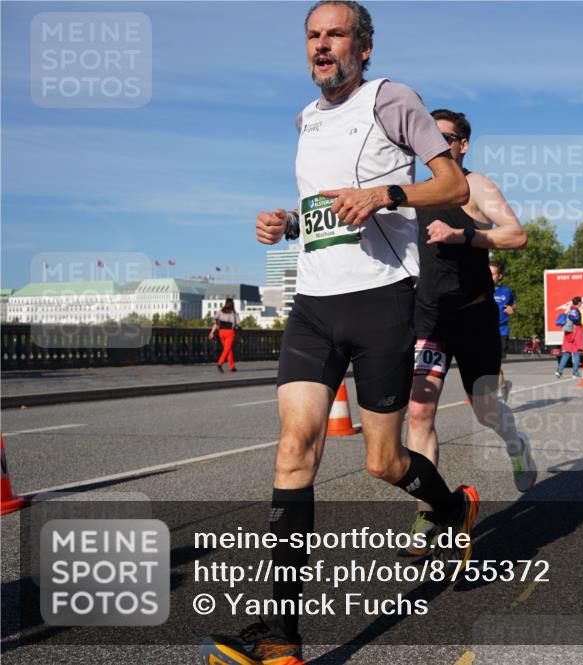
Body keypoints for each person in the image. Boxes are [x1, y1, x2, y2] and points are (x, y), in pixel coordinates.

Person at [201, 4, 476, 663]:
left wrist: (387, 195)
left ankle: (451, 505)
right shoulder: (303, 119)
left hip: (381, 300)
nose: (323, 47)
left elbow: (452, 183)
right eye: (313, 37)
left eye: (336, 35)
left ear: (365, 47)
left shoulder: (392, 99)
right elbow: (324, 210)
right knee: (294, 448)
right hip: (314, 306)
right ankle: (282, 638)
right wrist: (286, 224)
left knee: (383, 461)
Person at [404, 109, 534, 554]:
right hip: (430, 315)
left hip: (475, 314)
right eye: (429, 137)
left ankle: (516, 444)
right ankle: (429, 511)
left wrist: (465, 235)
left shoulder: (476, 186)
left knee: (484, 410)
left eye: (445, 137)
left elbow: (516, 235)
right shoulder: (414, 190)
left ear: (462, 145)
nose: (436, 144)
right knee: (419, 412)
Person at [491, 259, 516, 402]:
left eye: (493, 274)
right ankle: (504, 386)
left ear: (499, 276)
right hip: (483, 331)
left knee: (495, 363)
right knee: (489, 363)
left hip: (501, 330)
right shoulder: (478, 289)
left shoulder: (506, 291)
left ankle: (498, 390)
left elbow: (515, 303)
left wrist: (513, 308)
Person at [555, 296, 583, 378]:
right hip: (576, 334)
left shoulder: (568, 310)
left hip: (568, 334)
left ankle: (559, 371)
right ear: (579, 303)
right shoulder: (579, 310)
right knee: (576, 354)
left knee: (566, 353)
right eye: (581, 302)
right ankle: (575, 372)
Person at [208, 297, 240, 372]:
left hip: (221, 332)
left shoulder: (220, 312)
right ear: (232, 304)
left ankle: (232, 367)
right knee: (227, 349)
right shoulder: (234, 313)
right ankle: (220, 363)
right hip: (230, 332)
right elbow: (237, 324)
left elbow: (215, 322)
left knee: (228, 349)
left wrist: (212, 332)